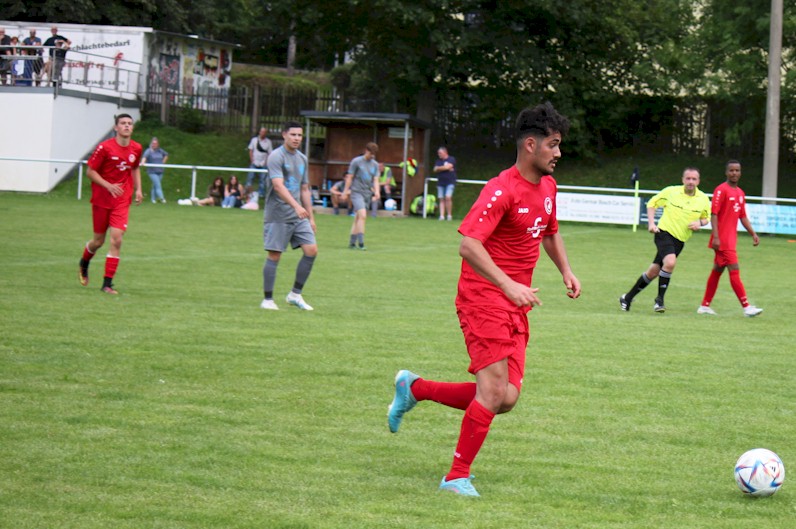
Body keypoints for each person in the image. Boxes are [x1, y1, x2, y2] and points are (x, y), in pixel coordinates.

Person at [387, 102, 581, 497]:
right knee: (492, 393)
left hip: (516, 303)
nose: (559, 153)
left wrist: (565, 270)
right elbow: (468, 245)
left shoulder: (548, 186)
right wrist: (507, 284)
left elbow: (549, 231)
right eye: (554, 145)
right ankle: (456, 475)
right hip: (483, 297)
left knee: (506, 398)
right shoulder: (501, 188)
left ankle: (415, 388)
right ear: (531, 144)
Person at [619, 167, 711, 313]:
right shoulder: (671, 192)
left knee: (653, 272)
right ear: (683, 180)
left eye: (694, 179)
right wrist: (651, 223)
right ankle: (659, 300)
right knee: (670, 262)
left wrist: (699, 223)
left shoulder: (703, 199)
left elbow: (706, 218)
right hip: (664, 233)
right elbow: (651, 204)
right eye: (688, 178)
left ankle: (627, 297)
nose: (691, 182)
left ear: (698, 181)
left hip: (680, 240)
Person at [77, 114, 143, 295]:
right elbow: (90, 172)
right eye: (123, 123)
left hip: (121, 200)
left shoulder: (136, 148)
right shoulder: (104, 148)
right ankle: (84, 262)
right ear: (116, 128)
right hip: (101, 199)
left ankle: (107, 283)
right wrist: (108, 185)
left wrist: (138, 189)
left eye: (130, 124)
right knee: (98, 241)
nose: (127, 126)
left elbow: (135, 167)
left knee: (117, 239)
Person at [259, 121, 317, 311]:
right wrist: (296, 206)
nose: (296, 138)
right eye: (293, 135)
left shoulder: (302, 158)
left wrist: (311, 217)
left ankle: (295, 295)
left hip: (298, 215)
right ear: (284, 135)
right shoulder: (276, 156)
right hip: (278, 214)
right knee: (275, 255)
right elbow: (278, 186)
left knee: (311, 250)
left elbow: (304, 188)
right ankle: (267, 300)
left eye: (299, 135)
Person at [697, 160, 763, 317]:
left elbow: (743, 216)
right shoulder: (721, 190)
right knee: (734, 269)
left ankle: (704, 306)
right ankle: (747, 307)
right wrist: (716, 237)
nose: (734, 173)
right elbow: (714, 214)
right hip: (723, 240)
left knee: (717, 271)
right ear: (726, 172)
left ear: (740, 173)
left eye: (737, 170)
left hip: (730, 239)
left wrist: (753, 233)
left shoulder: (740, 193)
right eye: (731, 170)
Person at [341, 142, 380, 249]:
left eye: (374, 154)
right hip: (356, 192)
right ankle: (361, 243)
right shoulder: (356, 161)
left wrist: (377, 191)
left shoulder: (375, 164)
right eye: (370, 153)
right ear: (366, 151)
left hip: (367, 193)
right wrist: (345, 191)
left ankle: (352, 243)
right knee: (363, 215)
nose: (372, 156)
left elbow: (376, 179)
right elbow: (350, 177)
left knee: (358, 218)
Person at [246, 127, 273, 200]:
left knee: (262, 179)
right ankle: (248, 192)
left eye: (264, 132)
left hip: (263, 163)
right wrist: (252, 160)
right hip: (254, 162)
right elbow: (251, 150)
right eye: (262, 131)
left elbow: (269, 153)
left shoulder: (268, 142)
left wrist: (266, 162)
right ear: (259, 132)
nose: (263, 133)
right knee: (250, 177)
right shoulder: (254, 140)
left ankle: (261, 194)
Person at [141, 137, 169, 204]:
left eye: (155, 143)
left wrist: (162, 163)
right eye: (153, 143)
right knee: (158, 184)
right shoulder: (149, 151)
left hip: (160, 171)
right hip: (152, 171)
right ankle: (162, 199)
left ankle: (153, 199)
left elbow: (166, 155)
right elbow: (144, 157)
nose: (154, 145)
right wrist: (142, 162)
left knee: (155, 185)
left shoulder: (160, 150)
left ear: (158, 144)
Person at [433, 146, 457, 221]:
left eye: (440, 153)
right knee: (441, 199)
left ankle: (449, 215)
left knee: (448, 197)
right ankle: (442, 216)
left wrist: (439, 168)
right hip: (440, 182)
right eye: (438, 153)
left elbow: (448, 167)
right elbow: (435, 169)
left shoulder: (451, 159)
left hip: (450, 182)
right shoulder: (438, 161)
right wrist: (444, 168)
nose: (439, 154)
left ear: (445, 152)